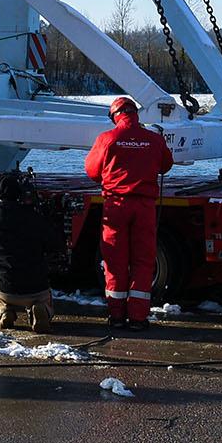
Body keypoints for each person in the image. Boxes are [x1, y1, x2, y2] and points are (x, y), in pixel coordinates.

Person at [83, 95, 173, 329]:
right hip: (144, 207)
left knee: (115, 262)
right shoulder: (154, 139)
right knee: (143, 261)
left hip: (116, 207)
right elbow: (166, 165)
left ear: (115, 116)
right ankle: (138, 318)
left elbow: (92, 171)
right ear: (135, 114)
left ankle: (116, 316)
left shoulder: (107, 138)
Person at [0, 173, 54, 331]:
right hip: (36, 288)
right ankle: (42, 309)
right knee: (45, 294)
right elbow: (54, 244)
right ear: (20, 194)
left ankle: (2, 310)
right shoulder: (35, 218)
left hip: (3, 288)